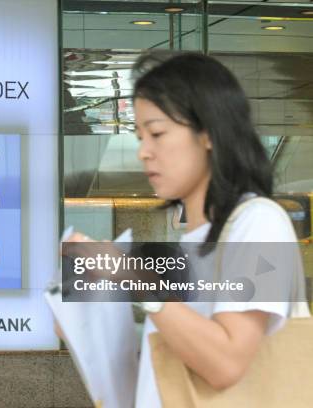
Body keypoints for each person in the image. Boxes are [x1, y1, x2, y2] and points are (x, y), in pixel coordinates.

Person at [64, 51, 304, 407]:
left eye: (157, 133)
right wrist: (79, 317)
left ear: (208, 133)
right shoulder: (194, 240)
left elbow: (225, 363)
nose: (144, 151)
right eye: (140, 136)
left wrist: (132, 278)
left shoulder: (260, 222)